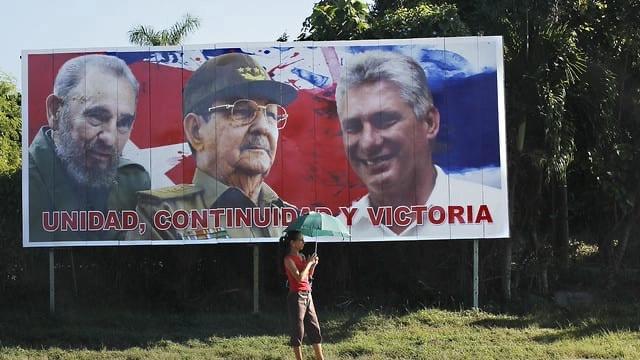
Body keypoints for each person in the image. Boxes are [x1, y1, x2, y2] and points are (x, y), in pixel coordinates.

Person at [335, 51, 504, 239]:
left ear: (430, 122)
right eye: (353, 127)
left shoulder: (495, 214)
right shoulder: (337, 231)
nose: (368, 142)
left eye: (385, 121)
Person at [135, 53, 298, 240]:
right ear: (196, 130)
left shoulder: (291, 217)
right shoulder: (161, 214)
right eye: (243, 111)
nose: (262, 127)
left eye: (271, 115)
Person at [28, 54, 150, 242]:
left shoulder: (133, 182)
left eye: (124, 122)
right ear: (55, 111)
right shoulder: (26, 186)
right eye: (96, 116)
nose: (110, 138)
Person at [280, 231, 324, 360]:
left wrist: (313, 265)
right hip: (296, 296)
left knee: (314, 327)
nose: (303, 242)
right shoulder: (288, 259)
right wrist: (309, 263)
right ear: (293, 243)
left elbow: (308, 276)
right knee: (298, 330)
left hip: (307, 293)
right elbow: (299, 277)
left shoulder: (302, 256)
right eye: (301, 240)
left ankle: (320, 357)